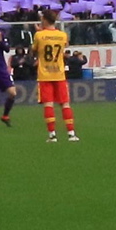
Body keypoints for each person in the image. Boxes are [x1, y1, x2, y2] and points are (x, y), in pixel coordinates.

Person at [32, 11, 78, 142]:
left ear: (45, 20)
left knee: (48, 104)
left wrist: (40, 31)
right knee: (65, 104)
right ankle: (71, 133)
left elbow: (34, 50)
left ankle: (52, 135)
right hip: (59, 73)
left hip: (45, 74)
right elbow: (65, 47)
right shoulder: (62, 35)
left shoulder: (39, 35)